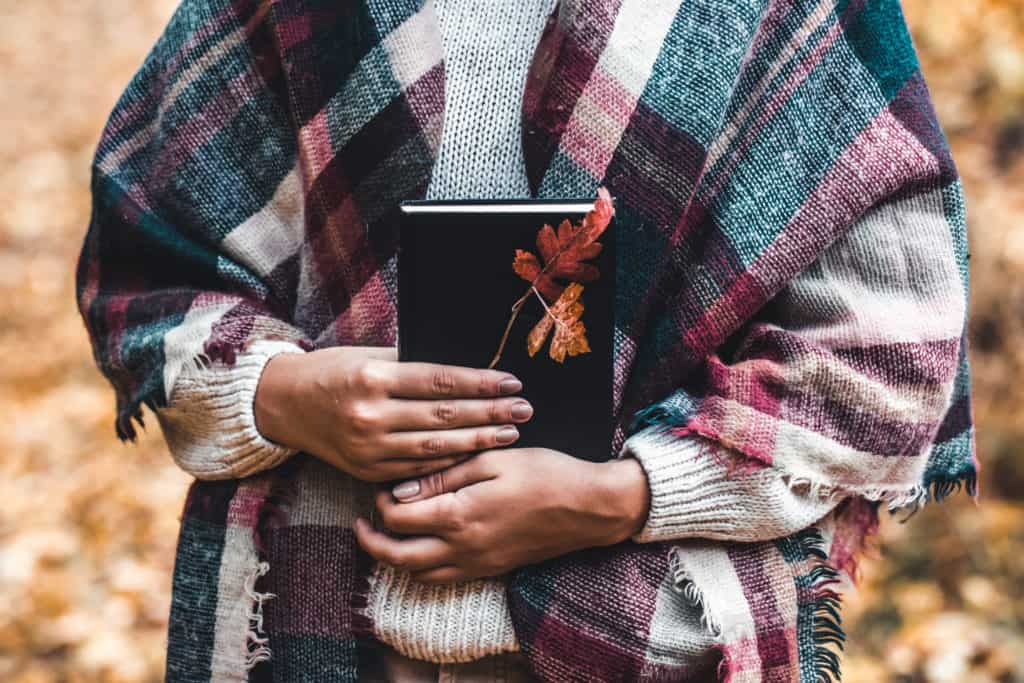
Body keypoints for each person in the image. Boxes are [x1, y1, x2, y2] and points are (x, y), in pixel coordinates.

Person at [77, 0, 976, 681]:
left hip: (666, 637)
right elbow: (150, 264)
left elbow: (884, 347)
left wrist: (625, 495)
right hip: (312, 619)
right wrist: (284, 395)